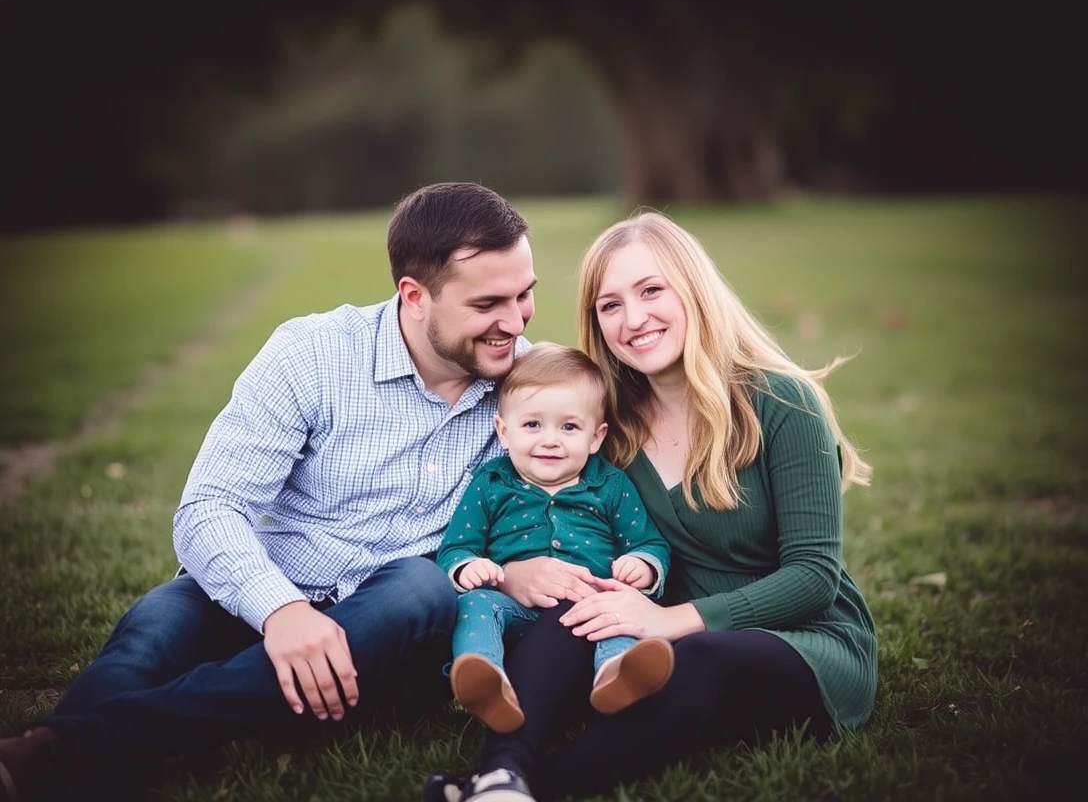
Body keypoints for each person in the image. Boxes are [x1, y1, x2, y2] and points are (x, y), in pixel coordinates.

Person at [0, 181, 541, 802]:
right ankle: (69, 764)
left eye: (525, 294)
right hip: (262, 590)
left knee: (423, 588)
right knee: (151, 635)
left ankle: (51, 752)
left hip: (386, 627)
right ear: (414, 297)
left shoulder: (529, 391)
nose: (515, 321)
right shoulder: (311, 354)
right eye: (489, 303)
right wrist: (281, 610)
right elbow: (210, 507)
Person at [425, 210, 877, 802]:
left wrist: (669, 621)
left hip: (800, 640)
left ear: (693, 291)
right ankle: (501, 772)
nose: (633, 319)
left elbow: (814, 578)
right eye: (609, 305)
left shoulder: (781, 403)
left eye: (651, 290)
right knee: (580, 608)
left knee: (695, 659)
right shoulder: (609, 431)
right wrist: (519, 577)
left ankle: (531, 790)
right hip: (663, 630)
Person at [437, 342, 673, 744]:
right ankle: (483, 678)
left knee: (616, 614)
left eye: (569, 427)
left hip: (589, 604)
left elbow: (649, 541)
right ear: (503, 431)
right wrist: (468, 567)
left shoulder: (609, 484)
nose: (550, 440)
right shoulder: (492, 484)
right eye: (532, 425)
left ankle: (616, 675)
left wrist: (644, 564)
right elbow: (455, 548)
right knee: (474, 604)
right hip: (514, 607)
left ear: (596, 438)